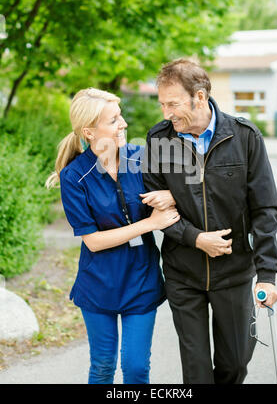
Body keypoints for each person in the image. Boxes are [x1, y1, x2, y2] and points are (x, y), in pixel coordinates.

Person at [142, 58, 277, 384]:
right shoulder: (159, 139)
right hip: (183, 272)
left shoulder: (245, 137)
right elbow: (154, 207)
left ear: (200, 97)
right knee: (197, 373)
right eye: (162, 104)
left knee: (235, 364)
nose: (166, 113)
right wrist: (195, 238)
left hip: (233, 272)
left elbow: (265, 208)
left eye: (173, 104)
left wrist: (268, 274)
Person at [46, 87, 179, 384]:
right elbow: (92, 240)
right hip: (98, 286)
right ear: (89, 132)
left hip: (141, 281)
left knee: (135, 368)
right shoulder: (74, 177)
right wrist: (149, 225)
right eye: (113, 120)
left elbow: (185, 189)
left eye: (121, 117)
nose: (124, 124)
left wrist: (170, 194)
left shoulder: (142, 158)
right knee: (104, 366)